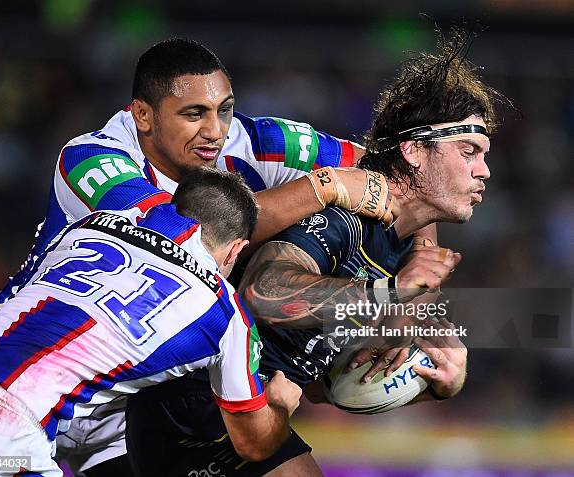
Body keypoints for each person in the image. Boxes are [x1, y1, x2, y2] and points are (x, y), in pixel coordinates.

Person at [0, 38, 409, 476]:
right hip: (35, 374)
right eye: (194, 114)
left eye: (223, 109)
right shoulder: (91, 159)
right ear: (143, 115)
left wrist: (416, 280)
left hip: (132, 400)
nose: (215, 131)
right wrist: (320, 188)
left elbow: (395, 175)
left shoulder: (254, 141)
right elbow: (183, 236)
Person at [125, 29, 505, 476]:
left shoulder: (404, 248)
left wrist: (436, 379)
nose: (485, 170)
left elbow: (330, 387)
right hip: (192, 401)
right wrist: (390, 294)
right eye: (469, 151)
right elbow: (263, 293)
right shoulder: (346, 218)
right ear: (413, 151)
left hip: (238, 409)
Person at [0, 168, 303, 476]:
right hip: (1, 436)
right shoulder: (225, 314)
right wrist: (280, 406)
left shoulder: (87, 226)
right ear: (235, 250)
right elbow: (254, 443)